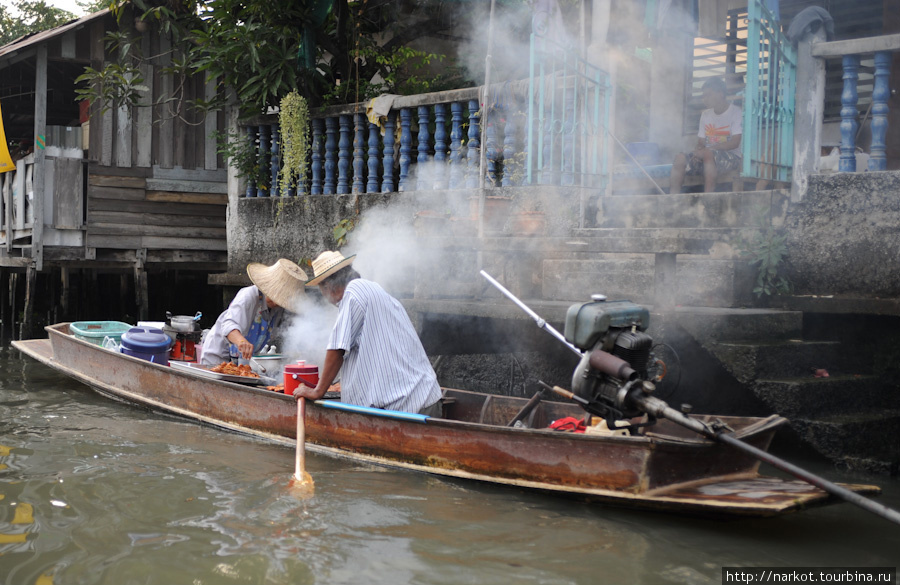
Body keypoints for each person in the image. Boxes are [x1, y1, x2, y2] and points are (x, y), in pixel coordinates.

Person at [293, 251, 443, 417]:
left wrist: (318, 391)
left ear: (328, 287)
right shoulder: (372, 289)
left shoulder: (353, 294)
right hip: (424, 398)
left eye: (321, 289)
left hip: (407, 408)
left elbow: (337, 348)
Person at [199, 259, 307, 366]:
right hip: (218, 357)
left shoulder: (278, 309)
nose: (277, 302)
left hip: (242, 362)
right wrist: (242, 342)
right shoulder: (248, 296)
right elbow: (228, 326)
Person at [669, 77, 742, 193]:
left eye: (708, 95)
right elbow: (701, 143)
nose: (704, 99)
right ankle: (673, 200)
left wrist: (708, 150)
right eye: (703, 96)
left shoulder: (736, 112)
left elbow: (735, 142)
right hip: (707, 157)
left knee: (708, 153)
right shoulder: (705, 115)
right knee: (680, 158)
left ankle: (708, 199)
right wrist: (697, 153)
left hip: (732, 159)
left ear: (720, 94)